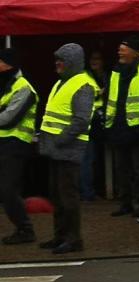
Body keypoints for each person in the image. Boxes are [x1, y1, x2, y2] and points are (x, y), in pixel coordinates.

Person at [37, 44, 99, 254]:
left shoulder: (82, 85)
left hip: (68, 149)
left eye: (61, 60)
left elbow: (81, 120)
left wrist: (61, 139)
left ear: (71, 62)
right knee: (57, 196)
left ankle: (73, 240)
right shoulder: (62, 83)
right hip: (55, 149)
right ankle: (61, 236)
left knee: (67, 197)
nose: (57, 63)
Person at [105, 36, 139, 218]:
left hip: (138, 130)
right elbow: (110, 99)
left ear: (135, 52)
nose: (119, 51)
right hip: (119, 129)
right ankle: (126, 203)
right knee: (122, 170)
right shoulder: (115, 72)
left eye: (123, 49)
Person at [0, 48, 38, 245]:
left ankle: (25, 228)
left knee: (8, 190)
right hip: (4, 144)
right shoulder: (6, 85)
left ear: (9, 64)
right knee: (6, 190)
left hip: (15, 144)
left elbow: (8, 119)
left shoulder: (23, 87)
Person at [80, 48, 108, 202]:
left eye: (97, 58)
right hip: (88, 124)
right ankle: (87, 193)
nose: (94, 61)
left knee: (97, 160)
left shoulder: (107, 76)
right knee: (87, 160)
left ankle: (97, 190)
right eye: (92, 58)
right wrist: (100, 93)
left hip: (102, 124)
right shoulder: (85, 77)